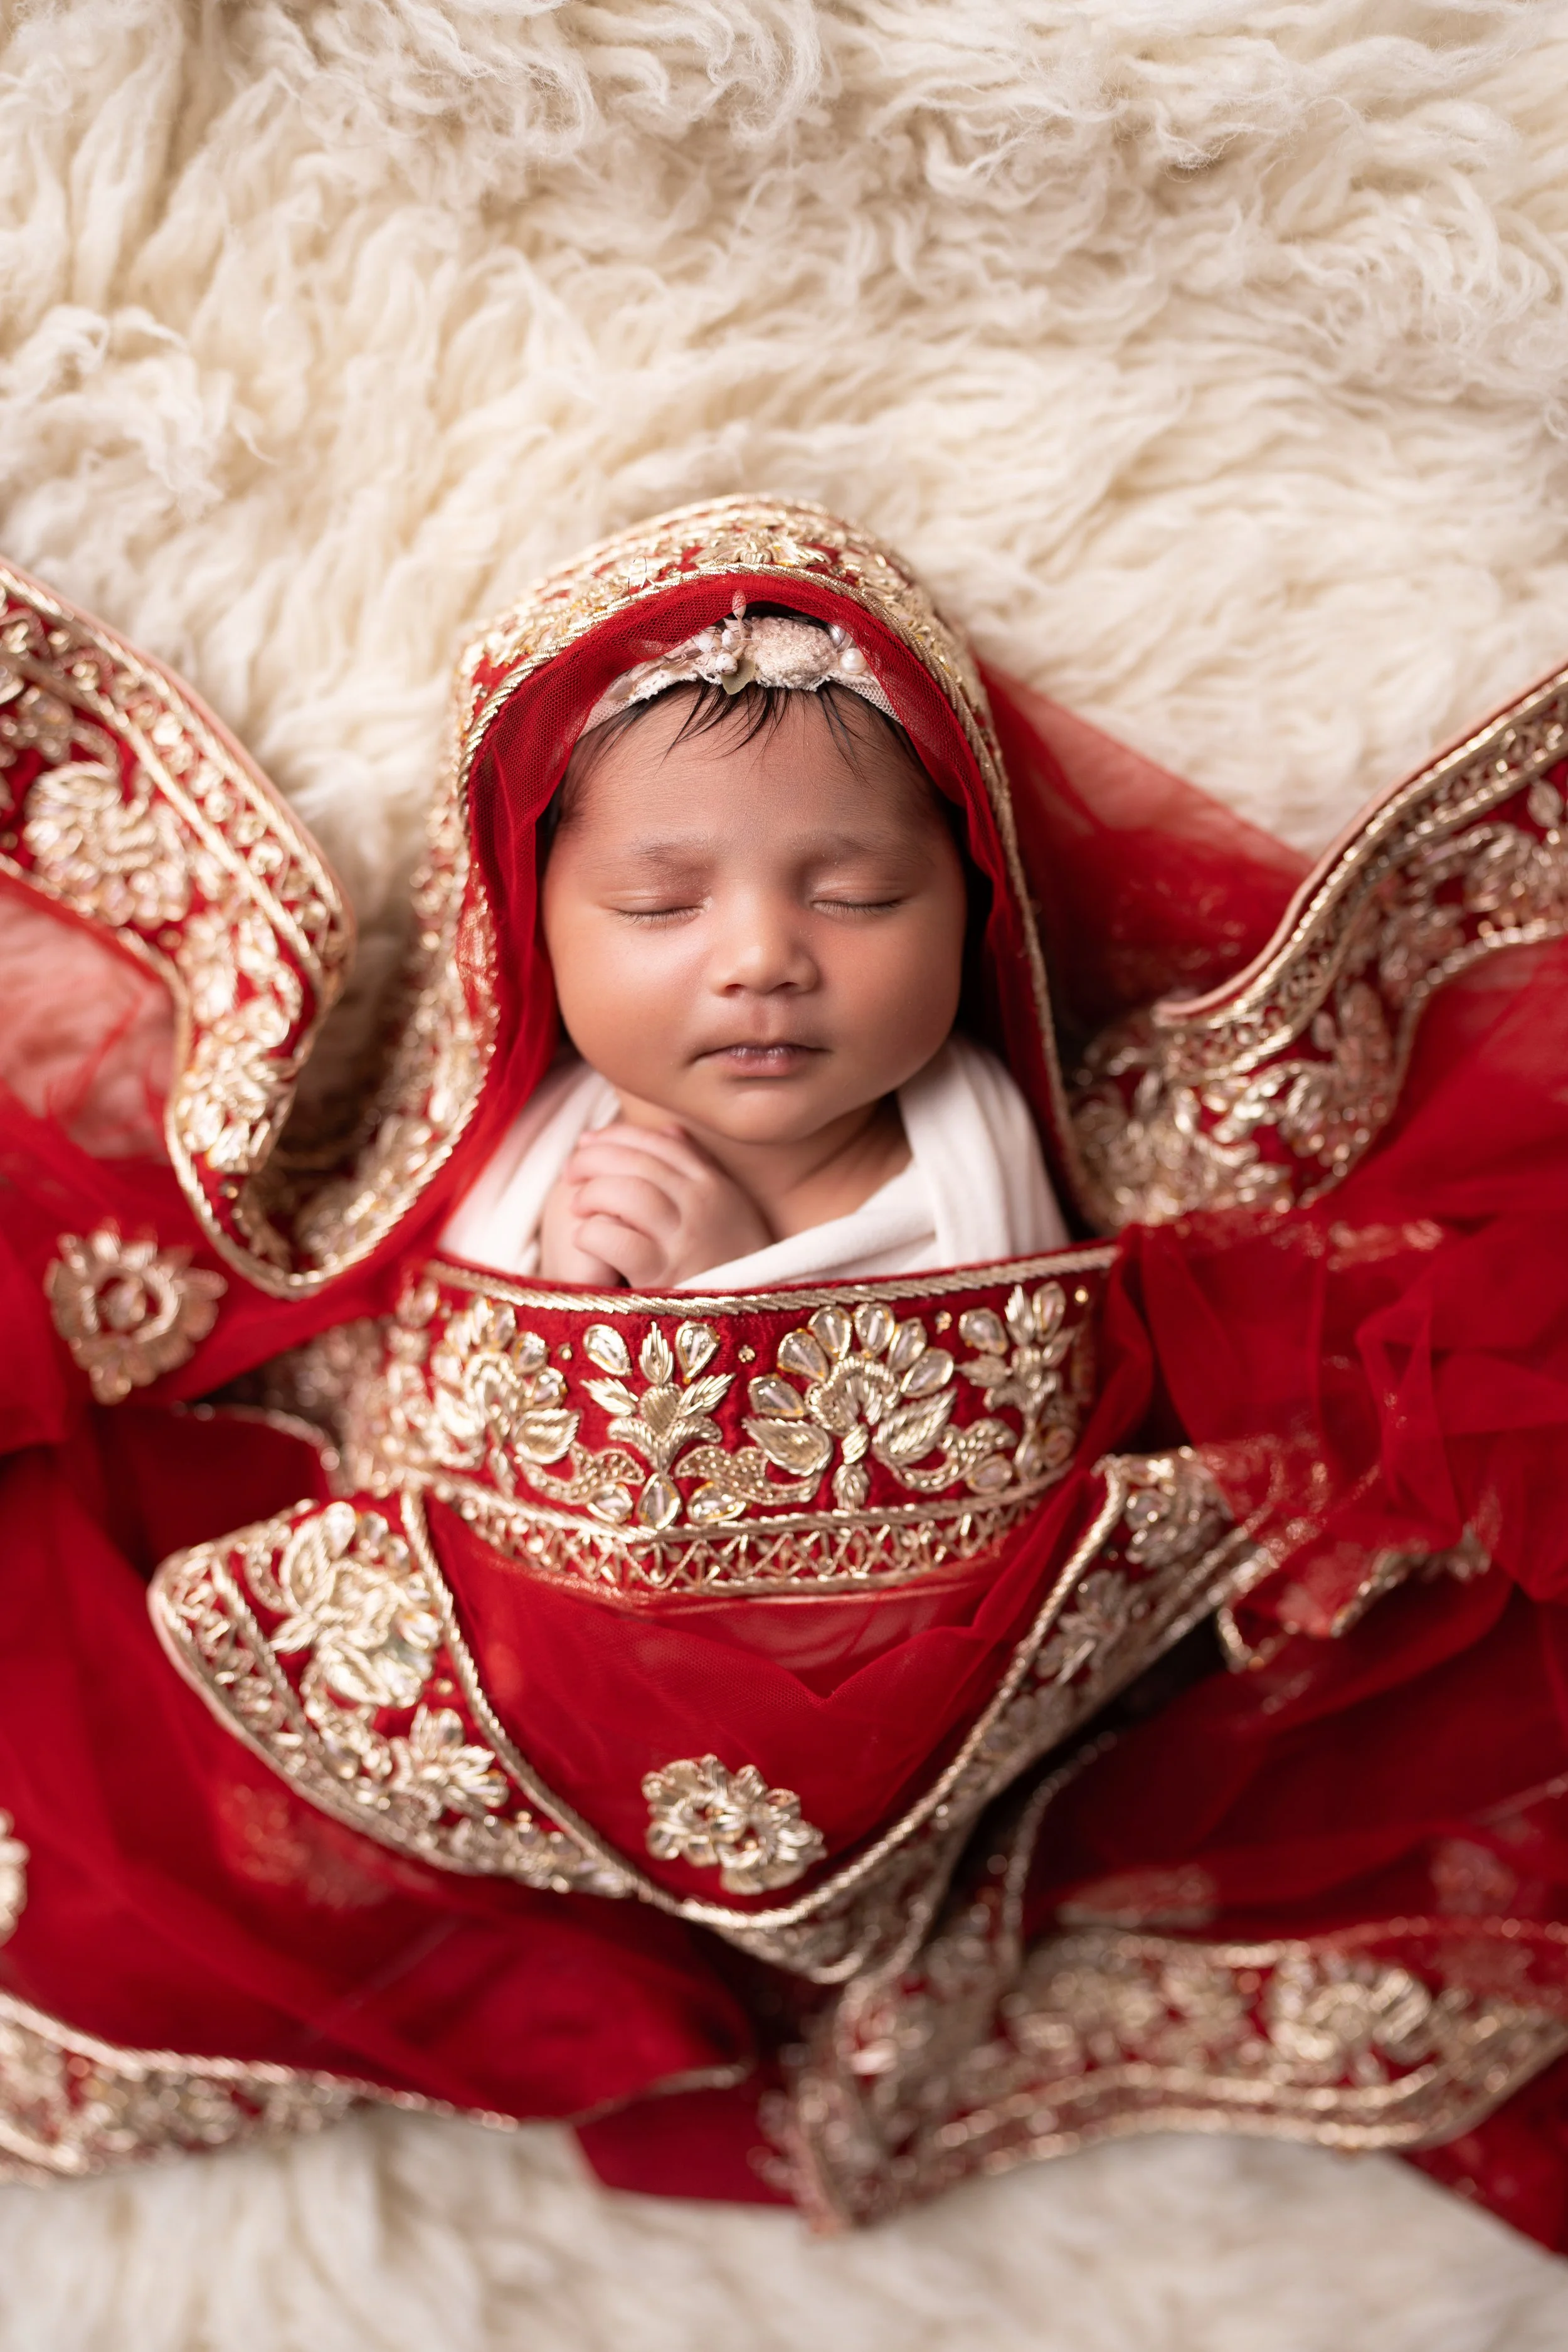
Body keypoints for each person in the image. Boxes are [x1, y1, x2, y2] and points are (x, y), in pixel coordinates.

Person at [1, 497, 1567, 2247]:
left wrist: (728, 1281)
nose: (762, 954)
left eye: (856, 890)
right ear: (535, 929)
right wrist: (601, 1299)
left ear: (972, 909)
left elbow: (1053, 1410)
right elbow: (426, 1424)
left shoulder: (980, 1145)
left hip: (931, 1699)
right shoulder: (527, 1154)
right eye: (659, 898)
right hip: (547, 1707)